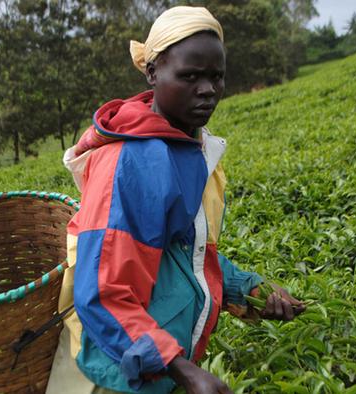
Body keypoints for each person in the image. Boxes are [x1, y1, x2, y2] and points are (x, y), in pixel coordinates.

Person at [46, 6, 305, 394]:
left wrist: (250, 291)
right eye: (189, 77)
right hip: (116, 376)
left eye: (216, 77)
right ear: (153, 73)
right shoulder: (130, 162)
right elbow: (102, 292)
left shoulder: (187, 144)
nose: (207, 90)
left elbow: (184, 251)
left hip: (157, 364)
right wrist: (180, 368)